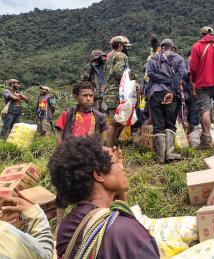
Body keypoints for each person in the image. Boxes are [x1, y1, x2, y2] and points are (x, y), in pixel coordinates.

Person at [49, 136, 160, 258]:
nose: (122, 168)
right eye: (115, 162)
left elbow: (116, 215)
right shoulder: (127, 232)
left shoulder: (66, 227)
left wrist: (118, 183)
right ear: (98, 174)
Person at [54, 81, 107, 223]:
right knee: (63, 190)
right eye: (85, 95)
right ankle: (59, 223)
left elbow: (102, 139)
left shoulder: (99, 117)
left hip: (89, 159)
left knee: (88, 190)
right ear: (76, 97)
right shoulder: (68, 114)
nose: (89, 98)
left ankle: (83, 222)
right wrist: (61, 153)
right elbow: (59, 136)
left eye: (91, 95)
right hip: (70, 157)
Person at [145, 39, 187, 163]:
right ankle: (169, 153)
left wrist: (162, 80)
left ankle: (160, 157)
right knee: (170, 124)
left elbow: (150, 74)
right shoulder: (179, 59)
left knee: (158, 125)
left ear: (161, 47)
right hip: (171, 94)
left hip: (155, 93)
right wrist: (171, 88)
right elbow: (180, 76)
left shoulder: (153, 59)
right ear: (172, 48)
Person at [189, 26, 214, 149]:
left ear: (201, 34)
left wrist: (195, 80)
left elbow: (193, 68)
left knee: (205, 110)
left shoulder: (197, 47)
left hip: (203, 84)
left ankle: (206, 140)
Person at [103, 35, 133, 148]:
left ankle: (111, 145)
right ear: (120, 46)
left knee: (115, 121)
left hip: (109, 92)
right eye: (125, 46)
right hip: (116, 93)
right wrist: (132, 80)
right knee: (115, 122)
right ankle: (109, 149)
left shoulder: (109, 57)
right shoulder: (121, 55)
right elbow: (119, 72)